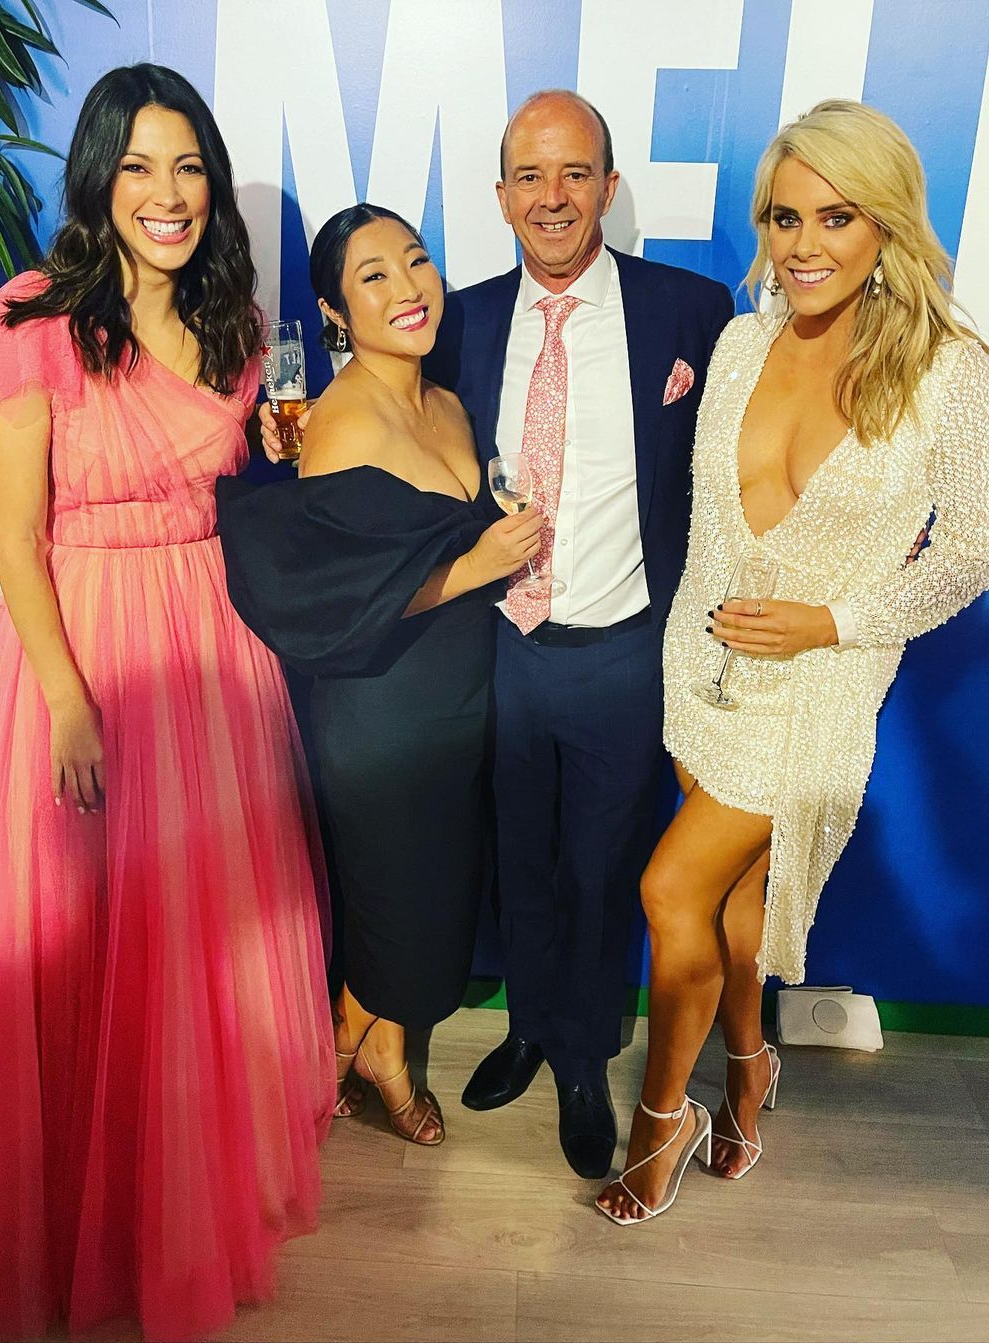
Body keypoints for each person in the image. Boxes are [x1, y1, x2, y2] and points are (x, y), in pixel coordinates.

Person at [0, 65, 335, 1339]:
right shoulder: (31, 320)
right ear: (98, 178)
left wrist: (285, 454)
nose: (169, 193)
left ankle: (170, 1203)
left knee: (190, 940)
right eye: (140, 166)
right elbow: (17, 539)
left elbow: (232, 489)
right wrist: (66, 700)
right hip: (81, 647)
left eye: (189, 165)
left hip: (210, 652)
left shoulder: (234, 324)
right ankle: (56, 1219)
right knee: (76, 931)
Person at [596, 99, 989, 1226]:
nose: (804, 244)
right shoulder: (739, 344)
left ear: (886, 225)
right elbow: (712, 526)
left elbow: (971, 549)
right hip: (703, 672)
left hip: (816, 688)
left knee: (670, 888)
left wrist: (834, 621)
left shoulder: (949, 372)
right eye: (783, 218)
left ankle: (660, 1123)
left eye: (836, 216)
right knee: (732, 911)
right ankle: (749, 1063)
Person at [419, 89, 733, 1179]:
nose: (552, 197)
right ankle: (528, 1025)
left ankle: (586, 1057)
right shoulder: (457, 322)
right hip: (499, 644)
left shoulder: (690, 311)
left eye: (574, 173)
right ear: (501, 195)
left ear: (607, 185)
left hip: (622, 648)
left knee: (603, 867)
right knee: (518, 853)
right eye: (530, 176)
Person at [217, 204, 543, 1146]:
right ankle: (335, 1052)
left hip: (459, 702)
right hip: (381, 715)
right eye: (374, 276)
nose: (408, 288)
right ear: (334, 311)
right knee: (398, 906)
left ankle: (383, 1048)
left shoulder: (450, 404)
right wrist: (477, 565)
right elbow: (337, 597)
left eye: (417, 261)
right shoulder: (340, 421)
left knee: (437, 897)